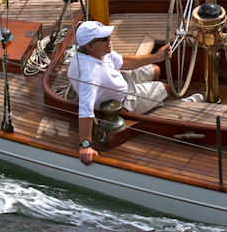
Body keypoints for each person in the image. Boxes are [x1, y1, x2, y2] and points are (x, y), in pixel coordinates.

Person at [68, 20, 173, 166]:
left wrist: (157, 57)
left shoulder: (100, 52)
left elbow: (122, 62)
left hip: (121, 79)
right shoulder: (90, 74)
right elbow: (85, 110)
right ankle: (188, 100)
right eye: (104, 38)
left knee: (156, 69)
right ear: (89, 46)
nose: (109, 40)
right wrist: (85, 146)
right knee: (165, 88)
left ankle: (152, 80)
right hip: (124, 100)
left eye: (108, 35)